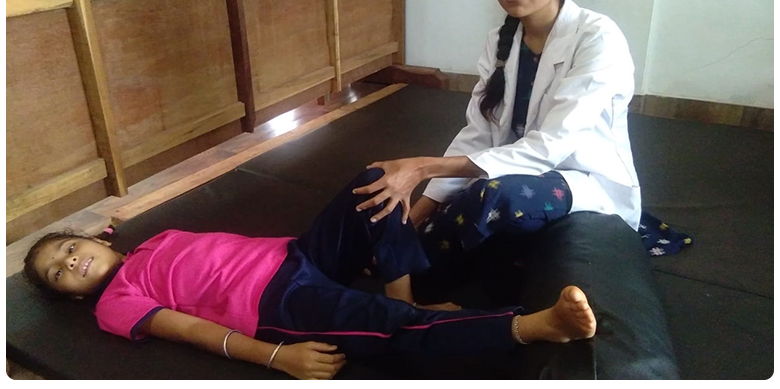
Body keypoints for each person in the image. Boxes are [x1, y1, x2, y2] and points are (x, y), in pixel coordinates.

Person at [24, 169, 597, 380]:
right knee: (383, 322)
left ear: (96, 238)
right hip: (274, 306)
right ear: (70, 296)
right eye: (58, 274)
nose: (69, 262)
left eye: (68, 249)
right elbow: (191, 330)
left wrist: (332, 249)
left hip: (299, 256)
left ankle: (410, 295)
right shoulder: (115, 303)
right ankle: (531, 327)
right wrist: (277, 357)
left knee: (373, 184)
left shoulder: (158, 239)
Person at [354, 0, 642, 259]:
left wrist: (421, 167)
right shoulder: (501, 41)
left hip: (579, 179)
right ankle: (403, 251)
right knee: (466, 196)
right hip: (512, 172)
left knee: (495, 195)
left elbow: (550, 147)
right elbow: (478, 133)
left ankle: (406, 264)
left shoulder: (597, 37)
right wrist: (419, 212)